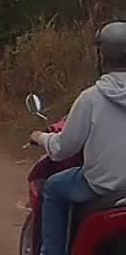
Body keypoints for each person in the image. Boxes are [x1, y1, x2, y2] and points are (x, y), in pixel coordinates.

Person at [31, 21, 126, 255]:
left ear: (101, 56)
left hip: (101, 185)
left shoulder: (90, 98)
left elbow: (62, 149)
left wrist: (41, 137)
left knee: (53, 187)